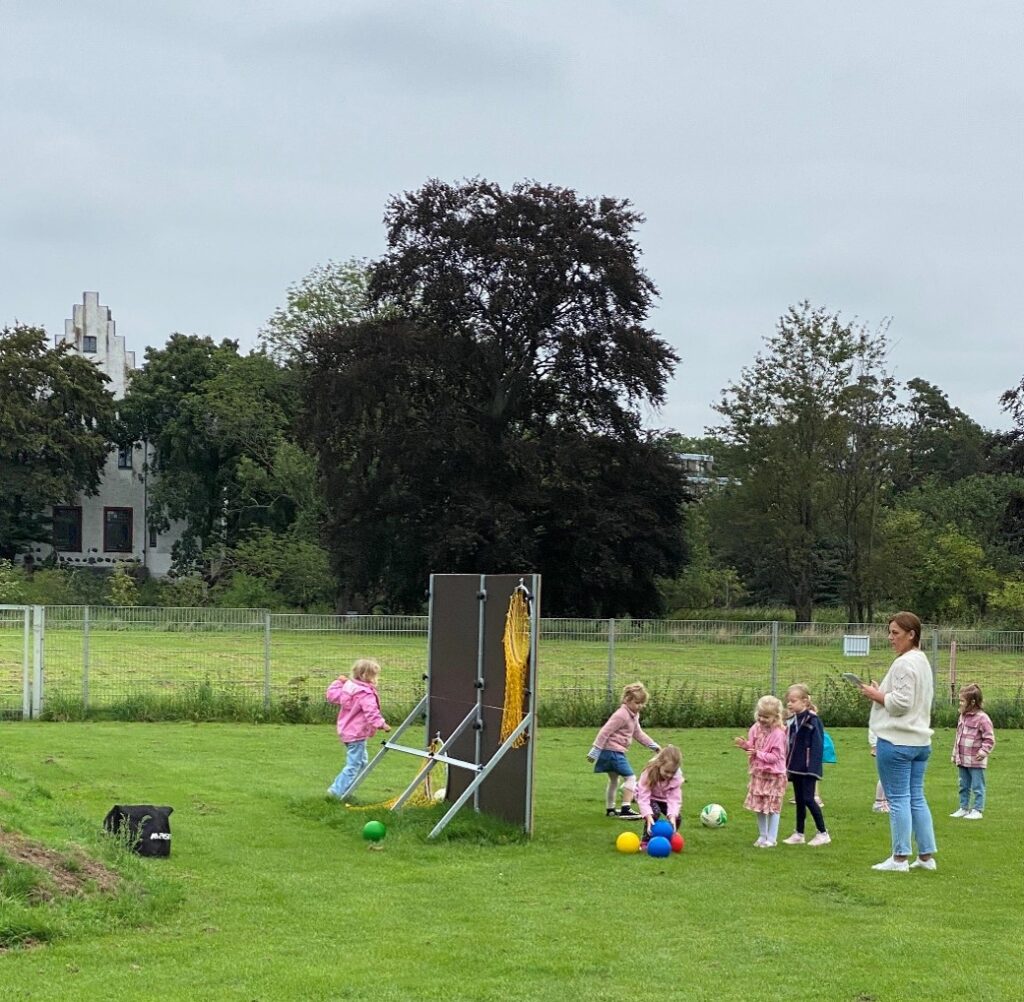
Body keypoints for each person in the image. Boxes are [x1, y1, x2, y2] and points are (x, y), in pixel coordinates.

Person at [859, 611, 937, 872]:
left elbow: (901, 703)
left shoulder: (904, 663)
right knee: (917, 797)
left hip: (897, 740)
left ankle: (899, 858)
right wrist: (881, 691)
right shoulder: (922, 660)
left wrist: (875, 695)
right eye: (889, 632)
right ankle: (926, 857)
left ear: (911, 634)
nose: (890, 638)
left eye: (895, 633)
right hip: (920, 741)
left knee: (898, 799)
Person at [587, 682, 660, 819]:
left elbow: (638, 733)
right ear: (627, 700)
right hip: (612, 752)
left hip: (613, 752)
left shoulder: (633, 715)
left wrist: (653, 745)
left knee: (614, 780)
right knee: (630, 778)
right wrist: (595, 750)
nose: (640, 706)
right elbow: (605, 731)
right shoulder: (621, 715)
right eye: (637, 703)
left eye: (642, 703)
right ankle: (626, 808)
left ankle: (610, 809)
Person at [325, 659, 391, 800]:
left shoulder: (348, 688)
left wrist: (338, 682)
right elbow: (371, 711)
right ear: (366, 676)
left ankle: (346, 792)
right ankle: (335, 792)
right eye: (374, 675)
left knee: (361, 763)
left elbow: (332, 695)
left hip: (347, 731)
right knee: (354, 765)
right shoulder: (364, 693)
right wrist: (382, 724)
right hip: (356, 733)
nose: (376, 678)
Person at [734, 694, 788, 848]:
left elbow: (775, 757)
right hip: (759, 773)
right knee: (759, 806)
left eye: (766, 717)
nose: (762, 719)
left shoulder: (778, 734)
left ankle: (772, 838)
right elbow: (752, 747)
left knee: (772, 807)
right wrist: (745, 745)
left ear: (776, 717)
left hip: (774, 775)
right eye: (760, 715)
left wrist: (758, 753)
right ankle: (762, 835)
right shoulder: (755, 728)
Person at [782, 684, 831, 846]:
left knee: (809, 798)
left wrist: (813, 769)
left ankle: (823, 833)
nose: (789, 704)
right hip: (795, 766)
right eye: (788, 701)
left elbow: (817, 745)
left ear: (804, 701)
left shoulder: (812, 720)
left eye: (793, 701)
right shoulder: (793, 720)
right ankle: (799, 833)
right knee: (800, 800)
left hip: (808, 768)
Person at [951, 683, 995, 820]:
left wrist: (984, 751)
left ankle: (977, 809)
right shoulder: (962, 716)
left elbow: (989, 739)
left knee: (977, 786)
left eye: (962, 701)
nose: (960, 703)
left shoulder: (983, 718)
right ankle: (963, 808)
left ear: (972, 702)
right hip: (962, 758)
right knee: (963, 785)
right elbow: (958, 737)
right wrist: (954, 754)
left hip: (976, 760)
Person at [636, 745, 684, 847]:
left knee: (677, 817)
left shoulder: (676, 777)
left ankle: (669, 837)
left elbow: (674, 799)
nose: (669, 775)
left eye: (673, 772)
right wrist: (648, 816)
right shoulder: (649, 773)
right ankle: (645, 841)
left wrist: (672, 816)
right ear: (659, 764)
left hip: (664, 798)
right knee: (655, 812)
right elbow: (643, 797)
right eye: (667, 771)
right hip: (649, 797)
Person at [868, 728, 890, 812]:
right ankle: (879, 803)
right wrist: (874, 746)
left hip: (891, 746)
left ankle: (885, 802)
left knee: (890, 776)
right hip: (883, 746)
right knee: (885, 776)